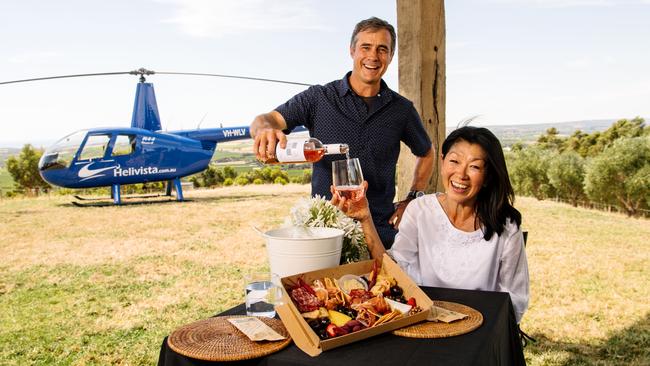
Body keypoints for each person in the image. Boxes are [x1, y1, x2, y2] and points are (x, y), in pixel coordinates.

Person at [250, 17, 434, 248]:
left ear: (390, 56)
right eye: (365, 47)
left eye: (382, 49)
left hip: (378, 231)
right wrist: (265, 129)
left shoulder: (401, 109)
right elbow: (265, 119)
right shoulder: (318, 98)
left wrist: (413, 198)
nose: (373, 56)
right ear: (352, 50)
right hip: (324, 231)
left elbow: (426, 153)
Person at [332, 126, 529, 323]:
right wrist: (365, 218)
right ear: (442, 162)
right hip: (425, 321)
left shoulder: (506, 226)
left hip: (482, 326)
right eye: (454, 161)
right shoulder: (420, 210)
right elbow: (394, 271)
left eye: (475, 166)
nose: (461, 174)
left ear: (488, 177)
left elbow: (515, 300)